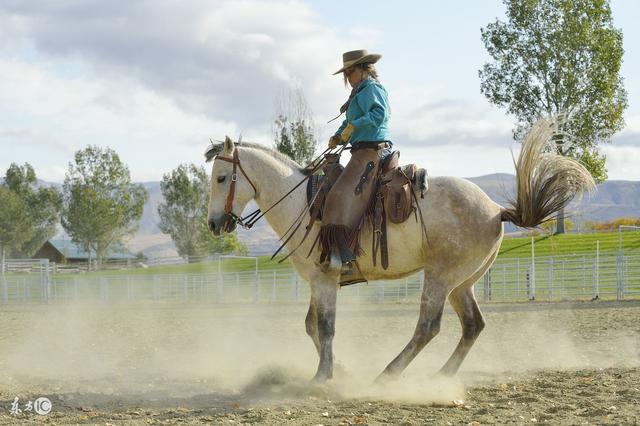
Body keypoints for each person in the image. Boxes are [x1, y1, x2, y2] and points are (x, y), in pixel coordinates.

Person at [318, 49, 392, 274]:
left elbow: (380, 115)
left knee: (339, 194)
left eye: (350, 72)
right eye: (346, 73)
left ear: (364, 69)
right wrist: (339, 136)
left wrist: (354, 126)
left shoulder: (372, 89)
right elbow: (351, 123)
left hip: (372, 151)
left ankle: (345, 257)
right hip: (359, 151)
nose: (347, 77)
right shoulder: (358, 93)